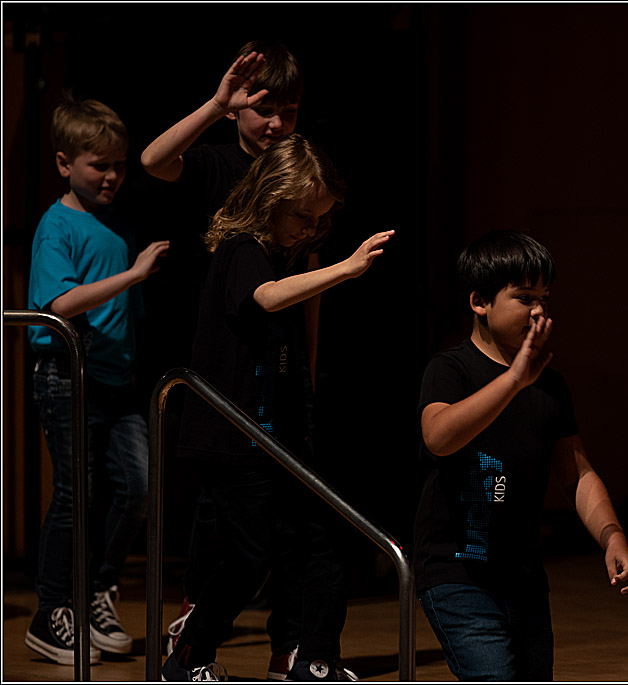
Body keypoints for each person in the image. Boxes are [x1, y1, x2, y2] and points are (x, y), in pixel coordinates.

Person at [161, 133, 393, 682]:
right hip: (231, 435)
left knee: (321, 538)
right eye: (302, 217)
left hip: (276, 434)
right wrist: (346, 268)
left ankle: (313, 660)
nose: (311, 230)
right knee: (248, 556)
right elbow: (264, 297)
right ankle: (189, 654)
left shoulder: (282, 253)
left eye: (319, 219)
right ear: (270, 199)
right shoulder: (244, 249)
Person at [141, 40, 330, 679]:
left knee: (294, 525)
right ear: (239, 110)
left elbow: (300, 285)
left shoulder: (295, 175)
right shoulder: (220, 164)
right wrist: (218, 103)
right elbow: (153, 159)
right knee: (228, 518)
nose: (275, 123)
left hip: (273, 362)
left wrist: (307, 367)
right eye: (262, 108)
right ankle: (194, 633)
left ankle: (295, 650)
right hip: (219, 352)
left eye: (289, 111)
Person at [414, 230, 628, 681]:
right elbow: (438, 437)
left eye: (544, 298)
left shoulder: (550, 384)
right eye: (524, 298)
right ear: (480, 302)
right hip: (456, 572)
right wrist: (513, 380)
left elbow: (577, 473)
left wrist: (612, 536)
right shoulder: (450, 368)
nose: (538, 310)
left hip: (521, 575)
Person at [25, 96, 170, 665]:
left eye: (119, 165)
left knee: (136, 487)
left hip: (117, 379)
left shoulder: (118, 228)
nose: (111, 176)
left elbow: (125, 317)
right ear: (65, 163)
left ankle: (97, 591)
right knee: (74, 494)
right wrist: (133, 274)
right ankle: (52, 608)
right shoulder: (56, 225)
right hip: (67, 376)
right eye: (98, 165)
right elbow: (60, 301)